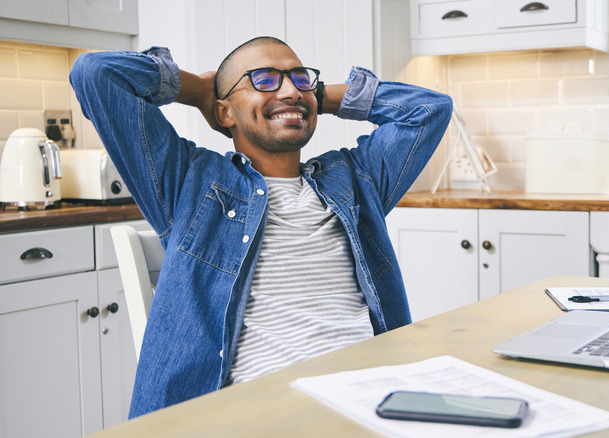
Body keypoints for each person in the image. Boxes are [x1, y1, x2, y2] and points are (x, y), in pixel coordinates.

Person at [69, 36, 452, 418]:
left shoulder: (354, 180)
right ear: (225, 113)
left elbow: (428, 109)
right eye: (264, 80)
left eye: (301, 79)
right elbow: (97, 74)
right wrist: (199, 90)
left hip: (372, 397)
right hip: (257, 412)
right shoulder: (190, 181)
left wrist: (315, 95)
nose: (289, 90)